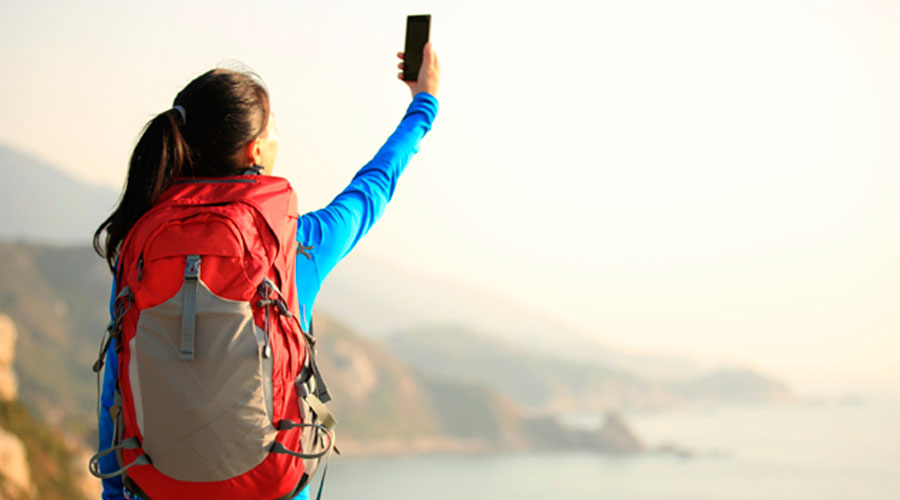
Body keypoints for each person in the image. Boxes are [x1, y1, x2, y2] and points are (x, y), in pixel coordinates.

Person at [93, 43, 441, 500]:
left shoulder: (141, 242)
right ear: (256, 148)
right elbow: (374, 186)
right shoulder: (296, 245)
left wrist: (117, 495)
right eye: (275, 125)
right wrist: (424, 103)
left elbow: (115, 392)